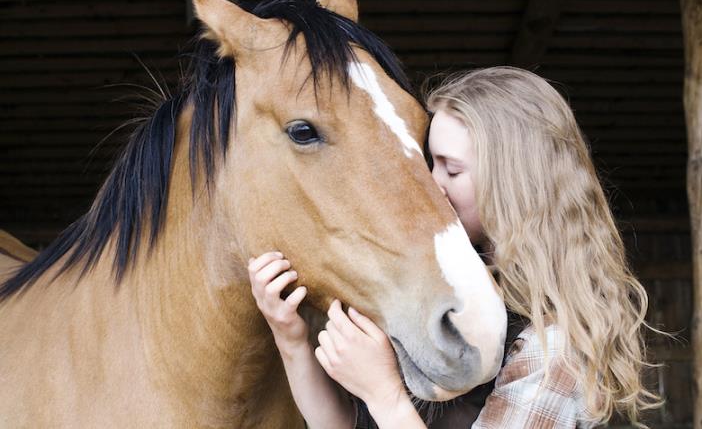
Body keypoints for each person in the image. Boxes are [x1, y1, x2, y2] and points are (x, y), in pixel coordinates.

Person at [247, 67, 660, 428]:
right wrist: (292, 340)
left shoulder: (555, 347)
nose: (431, 185)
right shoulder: (448, 292)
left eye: (452, 168)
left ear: (515, 183)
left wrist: (386, 395)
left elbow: (385, 408)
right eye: (430, 162)